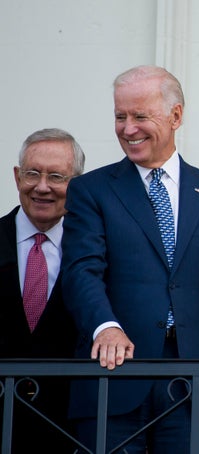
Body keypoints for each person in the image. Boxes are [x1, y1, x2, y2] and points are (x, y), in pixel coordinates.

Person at [60, 65, 199, 453]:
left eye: (140, 116)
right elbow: (81, 270)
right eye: (120, 117)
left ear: (176, 116)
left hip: (192, 390)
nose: (128, 128)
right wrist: (105, 327)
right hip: (111, 379)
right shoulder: (90, 190)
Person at [0, 128, 84, 453]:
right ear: (17, 176)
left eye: (57, 176)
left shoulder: (95, 250)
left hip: (70, 432)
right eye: (33, 174)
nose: (43, 187)